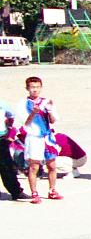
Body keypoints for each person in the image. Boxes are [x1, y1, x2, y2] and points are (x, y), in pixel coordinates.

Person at [22, 76, 60, 204]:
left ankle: (52, 190)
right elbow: (25, 124)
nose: (35, 90)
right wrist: (33, 113)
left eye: (37, 87)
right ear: (27, 88)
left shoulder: (46, 101)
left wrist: (49, 111)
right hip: (34, 138)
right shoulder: (23, 103)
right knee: (34, 167)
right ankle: (34, 192)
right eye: (32, 87)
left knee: (52, 165)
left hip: (47, 137)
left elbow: (53, 120)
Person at [1, 97, 29, 201]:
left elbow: (11, 117)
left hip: (1, 139)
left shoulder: (2, 103)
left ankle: (16, 192)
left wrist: (9, 131)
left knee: (7, 167)